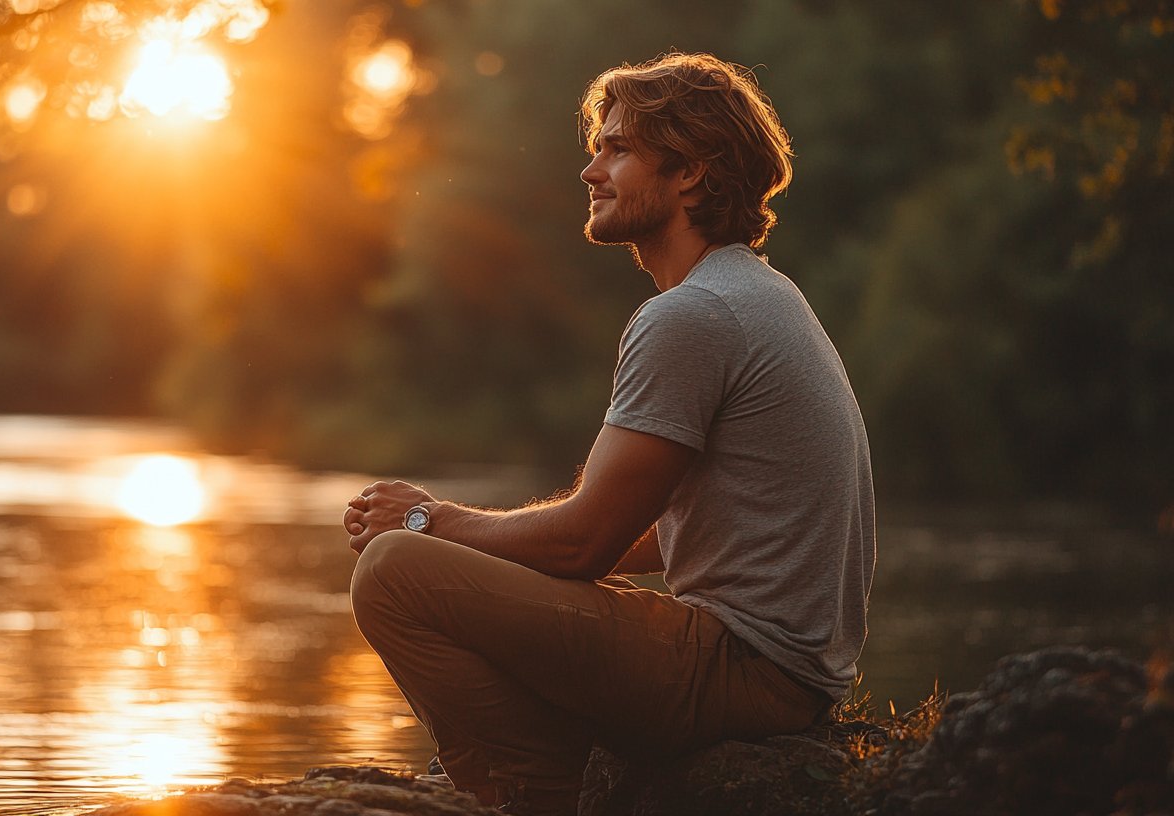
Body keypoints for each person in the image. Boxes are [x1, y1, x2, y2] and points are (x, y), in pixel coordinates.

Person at [340, 51, 875, 816]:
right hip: (790, 677)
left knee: (394, 570)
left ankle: (528, 790)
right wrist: (480, 549)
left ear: (689, 172)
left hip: (745, 671)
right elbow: (665, 534)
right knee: (458, 564)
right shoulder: (758, 294)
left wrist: (428, 522)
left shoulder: (691, 316)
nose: (591, 170)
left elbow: (582, 544)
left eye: (617, 149)